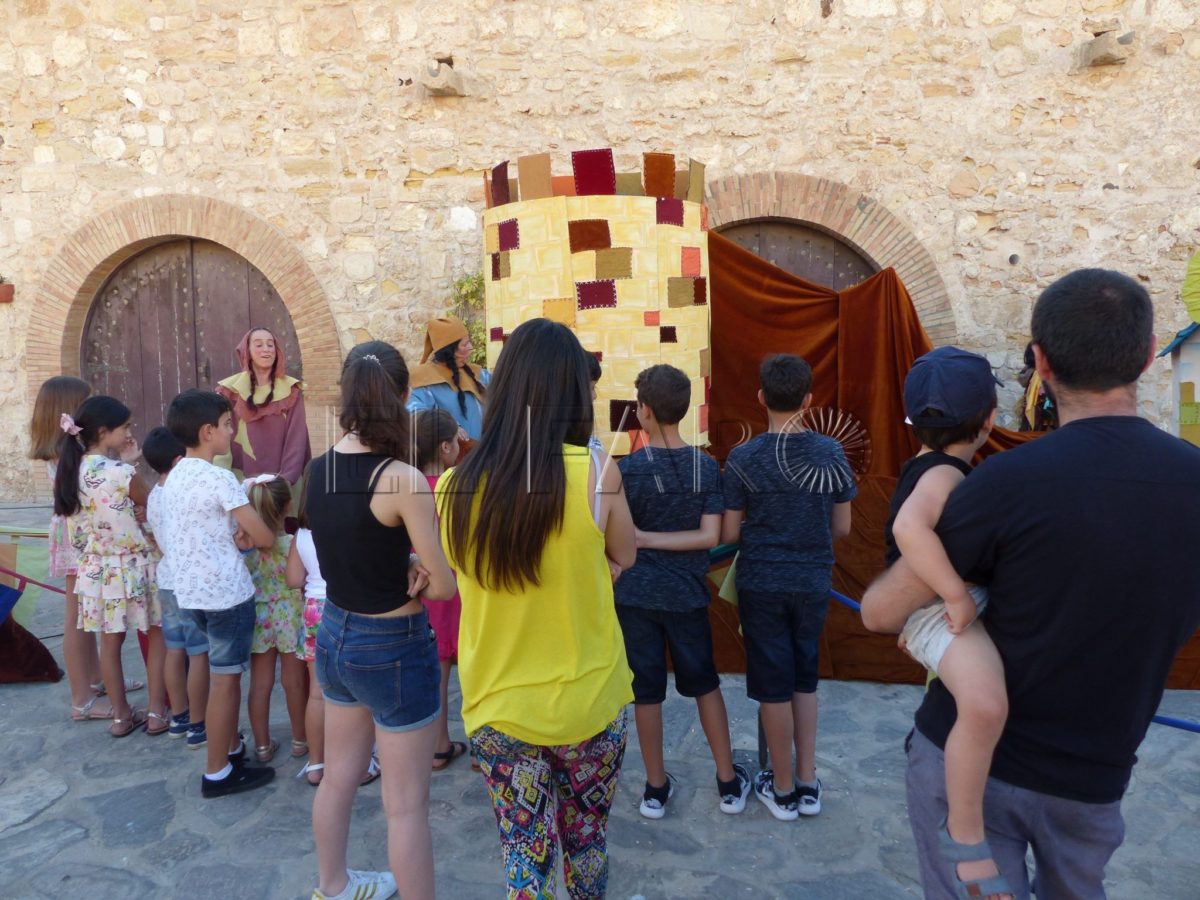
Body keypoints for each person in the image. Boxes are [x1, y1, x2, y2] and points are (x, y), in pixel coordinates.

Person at [862, 268, 1200, 900]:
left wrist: (947, 604)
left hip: (977, 766)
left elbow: (883, 612)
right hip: (1096, 774)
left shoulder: (1003, 484)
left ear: (1040, 362)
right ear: (1151, 354)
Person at [439, 319, 637, 899]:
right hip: (589, 702)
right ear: (575, 391)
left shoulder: (453, 485)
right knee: (587, 844)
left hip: (499, 704)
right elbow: (625, 551)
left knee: (525, 860)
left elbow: (463, 572)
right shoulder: (598, 473)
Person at [305, 341, 457, 900]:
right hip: (393, 642)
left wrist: (408, 562)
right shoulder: (403, 478)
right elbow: (442, 585)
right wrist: (420, 567)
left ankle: (332, 885)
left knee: (339, 774)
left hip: (336, 633)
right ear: (404, 395)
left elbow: (345, 549)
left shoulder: (318, 468)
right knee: (406, 805)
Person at [881, 347, 1009, 899]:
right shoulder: (942, 473)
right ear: (989, 420)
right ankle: (967, 833)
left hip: (944, 605)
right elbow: (911, 528)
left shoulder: (944, 467)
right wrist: (955, 594)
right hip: (933, 610)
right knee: (985, 704)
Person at [720, 354, 856, 821]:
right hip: (812, 579)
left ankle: (779, 789)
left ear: (761, 398)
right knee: (804, 678)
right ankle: (806, 780)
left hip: (761, 581)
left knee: (772, 685)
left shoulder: (743, 457)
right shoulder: (831, 452)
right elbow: (843, 526)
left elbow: (730, 534)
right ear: (809, 399)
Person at [616, 364, 750, 819]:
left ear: (644, 412)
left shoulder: (626, 470)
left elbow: (618, 538)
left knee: (646, 690)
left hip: (634, 595)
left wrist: (644, 538)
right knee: (704, 682)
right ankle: (727, 780)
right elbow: (711, 536)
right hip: (686, 594)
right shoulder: (706, 466)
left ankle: (655, 788)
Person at [163, 389, 277, 798]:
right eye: (229, 425)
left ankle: (229, 746)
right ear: (209, 431)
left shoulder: (175, 475)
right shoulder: (219, 478)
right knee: (226, 681)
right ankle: (217, 773)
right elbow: (262, 536)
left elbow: (206, 529)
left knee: (216, 672)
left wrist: (236, 533)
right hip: (226, 594)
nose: (233, 430)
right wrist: (252, 533)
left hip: (189, 592)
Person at [52, 395, 165, 737]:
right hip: (135, 564)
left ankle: (119, 715)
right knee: (156, 635)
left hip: (97, 570)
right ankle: (158, 711)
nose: (130, 432)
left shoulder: (72, 470)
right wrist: (134, 464)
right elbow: (152, 502)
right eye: (125, 427)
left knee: (110, 644)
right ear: (104, 431)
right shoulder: (121, 472)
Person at [286, 466, 382, 788]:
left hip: (314, 611)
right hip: (347, 605)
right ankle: (363, 762)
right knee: (359, 692)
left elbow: (293, 579)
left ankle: (317, 763)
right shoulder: (349, 525)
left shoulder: (301, 535)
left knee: (317, 694)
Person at [28, 376, 114, 721]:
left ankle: (94, 679)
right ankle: (82, 700)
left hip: (75, 533)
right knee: (77, 615)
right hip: (77, 536)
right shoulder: (69, 455)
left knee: (84, 611)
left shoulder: (63, 451)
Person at [143, 426, 211, 743]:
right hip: (191, 581)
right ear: (178, 457)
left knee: (175, 650)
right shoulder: (183, 493)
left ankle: (180, 717)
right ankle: (199, 723)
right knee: (198, 654)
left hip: (167, 579)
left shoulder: (154, 495)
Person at [412, 408, 468, 771]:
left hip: (426, 586)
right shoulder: (459, 486)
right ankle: (482, 747)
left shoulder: (409, 486)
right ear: (446, 447)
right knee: (472, 663)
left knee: (438, 665)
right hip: (459, 583)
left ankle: (438, 744)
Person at [241, 474, 308, 763]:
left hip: (258, 615)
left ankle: (262, 745)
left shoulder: (246, 545)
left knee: (260, 683)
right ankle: (300, 740)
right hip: (290, 615)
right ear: (288, 505)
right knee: (294, 681)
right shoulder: (294, 542)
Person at [216, 327, 311, 485]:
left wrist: (284, 481)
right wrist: (222, 480)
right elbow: (221, 436)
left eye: (270, 344)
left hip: (283, 484)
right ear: (247, 351)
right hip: (241, 484)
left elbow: (297, 438)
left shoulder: (291, 390)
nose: (266, 349)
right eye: (259, 345)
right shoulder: (229, 391)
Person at [407, 315, 490, 440]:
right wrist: (448, 427)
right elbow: (415, 413)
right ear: (449, 351)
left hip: (489, 453)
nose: (470, 348)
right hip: (454, 456)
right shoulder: (421, 379)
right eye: (465, 344)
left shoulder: (478, 374)